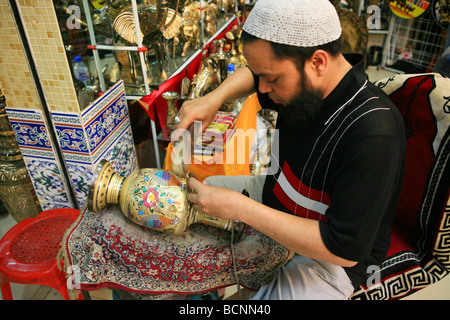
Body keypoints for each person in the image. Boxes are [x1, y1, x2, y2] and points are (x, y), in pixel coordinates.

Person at [172, 0, 406, 300]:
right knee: (198, 199)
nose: (263, 88)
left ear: (318, 62)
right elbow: (255, 73)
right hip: (279, 195)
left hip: (330, 260)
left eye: (272, 79)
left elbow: (343, 248)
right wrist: (215, 98)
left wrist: (243, 210)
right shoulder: (306, 79)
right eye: (262, 77)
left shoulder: (373, 132)